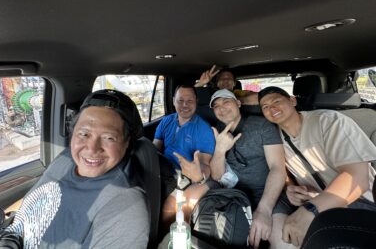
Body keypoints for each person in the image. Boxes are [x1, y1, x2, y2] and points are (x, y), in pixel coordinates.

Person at [3, 90, 149, 249]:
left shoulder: (125, 206)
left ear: (126, 142)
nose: (92, 149)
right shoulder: (65, 160)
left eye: (109, 138)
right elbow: (34, 199)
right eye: (84, 134)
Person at [258, 86, 376, 247]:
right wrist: (290, 188)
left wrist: (311, 210)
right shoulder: (273, 138)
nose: (272, 108)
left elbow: (358, 179)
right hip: (321, 207)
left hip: (362, 205)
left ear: (292, 100)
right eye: (265, 107)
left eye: (276, 101)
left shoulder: (328, 121)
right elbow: (281, 170)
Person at [209, 89, 293, 249]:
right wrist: (220, 150)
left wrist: (264, 210)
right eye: (216, 105)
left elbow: (277, 168)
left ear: (238, 103)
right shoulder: (214, 131)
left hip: (268, 193)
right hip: (233, 195)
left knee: (284, 243)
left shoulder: (262, 125)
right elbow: (217, 175)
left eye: (226, 101)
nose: (222, 108)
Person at [153, 85, 216, 225]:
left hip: (183, 176)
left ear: (196, 101)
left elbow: (205, 164)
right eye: (180, 101)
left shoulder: (204, 129)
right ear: (173, 101)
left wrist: (199, 174)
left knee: (168, 209)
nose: (185, 105)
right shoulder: (166, 121)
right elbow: (155, 149)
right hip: (161, 169)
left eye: (190, 101)